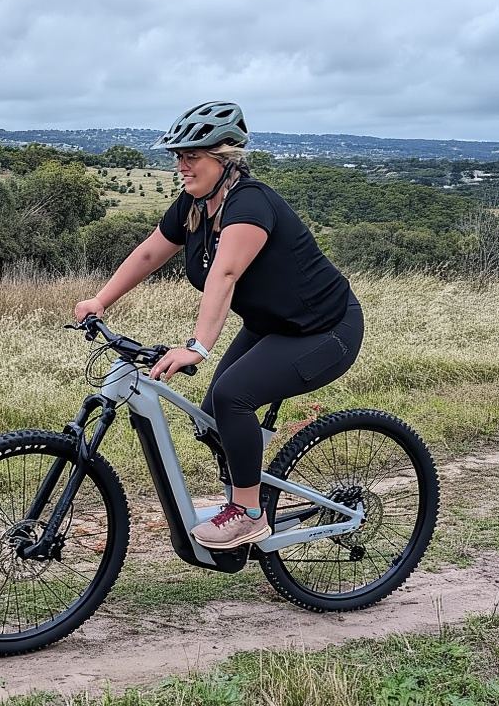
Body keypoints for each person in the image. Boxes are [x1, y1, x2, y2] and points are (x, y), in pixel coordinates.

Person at [73, 101, 363, 550]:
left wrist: (197, 346)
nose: (181, 165)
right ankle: (244, 491)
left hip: (325, 330)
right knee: (212, 416)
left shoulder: (249, 204)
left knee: (232, 397)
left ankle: (248, 513)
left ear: (224, 159)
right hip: (270, 325)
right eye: (178, 156)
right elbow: (150, 253)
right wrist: (100, 299)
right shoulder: (195, 205)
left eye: (192, 156)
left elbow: (224, 275)